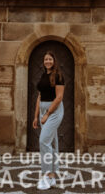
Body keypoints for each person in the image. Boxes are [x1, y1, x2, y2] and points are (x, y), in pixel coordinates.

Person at [33, 50, 65, 190]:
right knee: (52, 144)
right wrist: (36, 116)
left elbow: (59, 98)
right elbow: (39, 97)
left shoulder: (58, 76)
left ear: (54, 61)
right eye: (46, 59)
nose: (47, 61)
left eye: (50, 59)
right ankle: (52, 177)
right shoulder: (43, 75)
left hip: (54, 111)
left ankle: (46, 175)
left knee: (43, 141)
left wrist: (47, 114)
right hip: (43, 111)